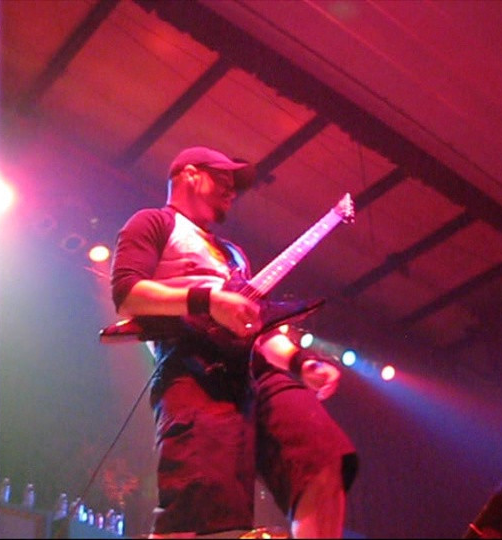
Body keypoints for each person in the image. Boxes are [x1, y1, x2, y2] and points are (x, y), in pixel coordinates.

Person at [109, 146, 358, 538]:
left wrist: (300, 363)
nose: (232, 191)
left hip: (255, 370)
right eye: (223, 179)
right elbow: (128, 294)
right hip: (193, 365)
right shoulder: (154, 222)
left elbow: (258, 327)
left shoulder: (234, 255)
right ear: (190, 174)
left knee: (321, 456)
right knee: (201, 503)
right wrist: (207, 300)